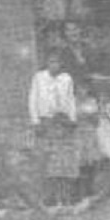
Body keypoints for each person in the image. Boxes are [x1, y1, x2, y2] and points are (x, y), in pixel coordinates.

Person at [28, 49, 79, 207]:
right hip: (46, 122)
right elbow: (32, 99)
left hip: (62, 122)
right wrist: (36, 122)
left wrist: (72, 119)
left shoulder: (66, 79)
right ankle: (49, 197)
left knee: (63, 160)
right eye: (51, 62)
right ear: (47, 63)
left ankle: (65, 197)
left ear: (61, 64)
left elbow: (70, 100)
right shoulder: (39, 78)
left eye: (57, 62)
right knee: (47, 159)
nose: (54, 65)